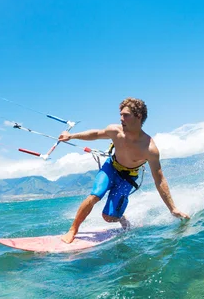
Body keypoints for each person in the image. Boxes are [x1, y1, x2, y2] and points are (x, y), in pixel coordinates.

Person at [60, 98, 190, 244]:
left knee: (108, 217)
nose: (121, 118)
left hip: (127, 178)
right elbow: (96, 134)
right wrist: (71, 136)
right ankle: (72, 230)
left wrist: (173, 208)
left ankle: (120, 216)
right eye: (120, 114)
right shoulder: (115, 131)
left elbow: (159, 179)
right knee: (95, 195)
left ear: (139, 116)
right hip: (111, 167)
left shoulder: (149, 149)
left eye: (126, 115)